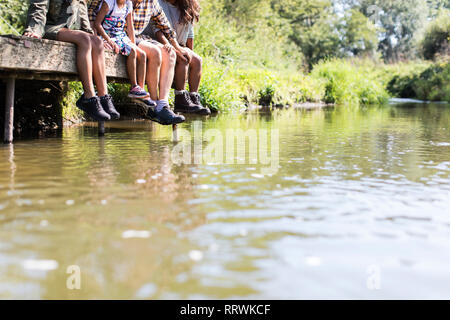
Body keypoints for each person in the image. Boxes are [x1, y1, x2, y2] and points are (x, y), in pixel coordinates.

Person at [88, 0, 186, 124]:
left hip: (132, 39)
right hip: (116, 37)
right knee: (155, 52)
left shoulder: (150, 2)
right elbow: (92, 11)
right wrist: (95, 35)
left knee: (170, 53)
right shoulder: (114, 2)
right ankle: (154, 105)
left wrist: (176, 46)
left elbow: (165, 25)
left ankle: (162, 105)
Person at [24, 0, 120, 121]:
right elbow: (38, 6)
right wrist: (34, 30)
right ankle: (88, 97)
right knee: (85, 39)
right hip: (47, 28)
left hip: (66, 29)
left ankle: (103, 97)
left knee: (98, 42)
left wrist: (92, 36)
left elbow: (82, 11)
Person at [150, 0, 209, 115]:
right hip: (163, 44)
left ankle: (193, 97)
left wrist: (189, 53)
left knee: (197, 60)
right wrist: (177, 49)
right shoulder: (160, 4)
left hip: (179, 44)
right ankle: (180, 97)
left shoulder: (186, 7)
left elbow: (190, 35)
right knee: (183, 58)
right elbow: (157, 29)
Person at [94, 0, 150, 100]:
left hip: (120, 36)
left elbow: (130, 27)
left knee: (142, 54)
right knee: (132, 51)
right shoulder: (110, 3)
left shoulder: (128, 4)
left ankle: (140, 91)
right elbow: (97, 24)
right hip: (108, 36)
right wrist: (108, 40)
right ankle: (134, 86)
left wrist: (132, 43)